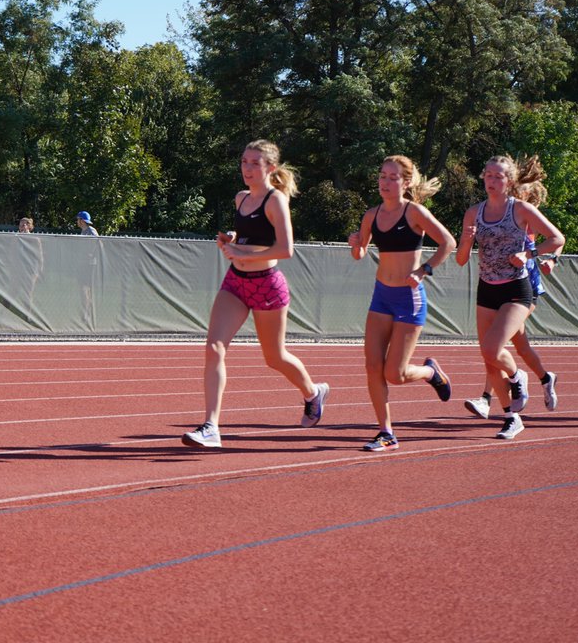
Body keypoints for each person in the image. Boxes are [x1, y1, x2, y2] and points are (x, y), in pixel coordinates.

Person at [182, 140, 329, 449]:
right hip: (236, 282)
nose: (247, 168)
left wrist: (243, 252)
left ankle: (313, 393)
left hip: (266, 285)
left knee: (274, 357)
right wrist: (232, 240)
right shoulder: (241, 198)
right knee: (214, 348)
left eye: (254, 163)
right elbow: (250, 235)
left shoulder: (276, 201)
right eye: (244, 161)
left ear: (270, 168)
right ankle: (211, 426)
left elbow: (285, 249)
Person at [348, 155, 456, 452]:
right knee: (372, 366)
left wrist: (424, 270)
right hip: (381, 296)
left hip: (409, 298)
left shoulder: (414, 212)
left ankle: (431, 373)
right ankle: (386, 432)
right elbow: (360, 254)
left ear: (406, 183)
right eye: (382, 176)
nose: (385, 182)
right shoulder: (371, 215)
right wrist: (355, 244)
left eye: (392, 177)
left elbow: (448, 242)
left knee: (394, 374)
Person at [455, 155, 565, 441]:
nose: (491, 180)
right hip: (486, 289)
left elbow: (557, 238)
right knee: (489, 360)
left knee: (492, 349)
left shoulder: (521, 209)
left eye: (498, 176)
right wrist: (466, 240)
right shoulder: (473, 213)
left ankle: (518, 376)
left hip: (516, 289)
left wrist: (528, 254)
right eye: (488, 175)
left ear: (510, 181)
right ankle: (511, 418)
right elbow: (461, 260)